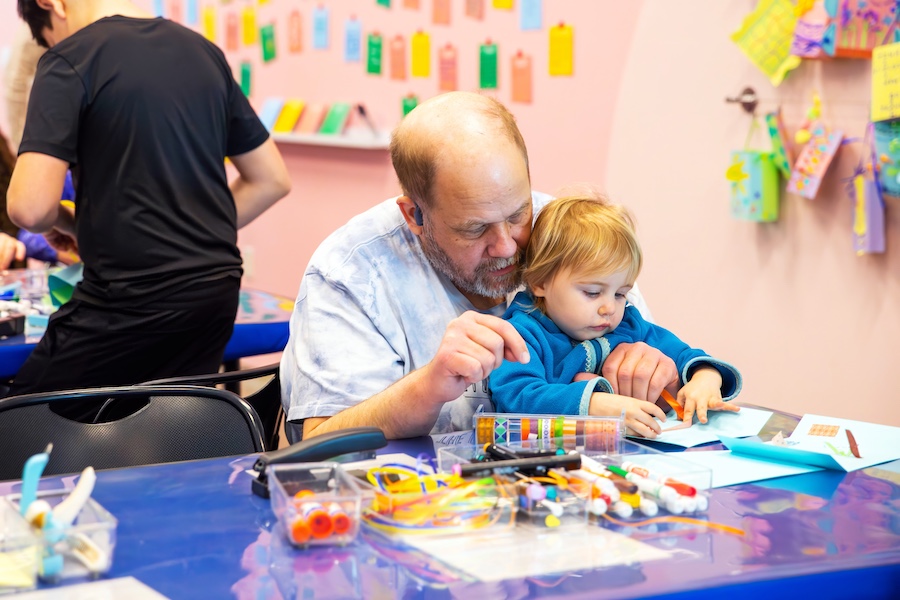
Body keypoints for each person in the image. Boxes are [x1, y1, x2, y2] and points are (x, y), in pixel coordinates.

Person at [280, 91, 679, 442]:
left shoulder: (569, 235)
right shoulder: (351, 273)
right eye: (475, 229)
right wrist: (427, 387)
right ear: (414, 215)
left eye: (519, 213)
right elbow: (319, 442)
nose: (506, 245)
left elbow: (654, 359)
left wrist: (659, 373)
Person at [7, 0, 291, 395]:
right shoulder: (202, 52)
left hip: (130, 301)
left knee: (22, 423)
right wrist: (188, 231)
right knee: (170, 431)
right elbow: (272, 180)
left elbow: (29, 207)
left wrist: (70, 224)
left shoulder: (69, 59)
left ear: (50, 4)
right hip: (216, 293)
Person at [490, 195, 742, 438]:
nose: (609, 307)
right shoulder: (521, 335)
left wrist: (706, 377)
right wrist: (596, 404)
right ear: (540, 282)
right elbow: (517, 393)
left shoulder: (629, 325)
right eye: (592, 292)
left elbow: (683, 355)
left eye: (621, 294)